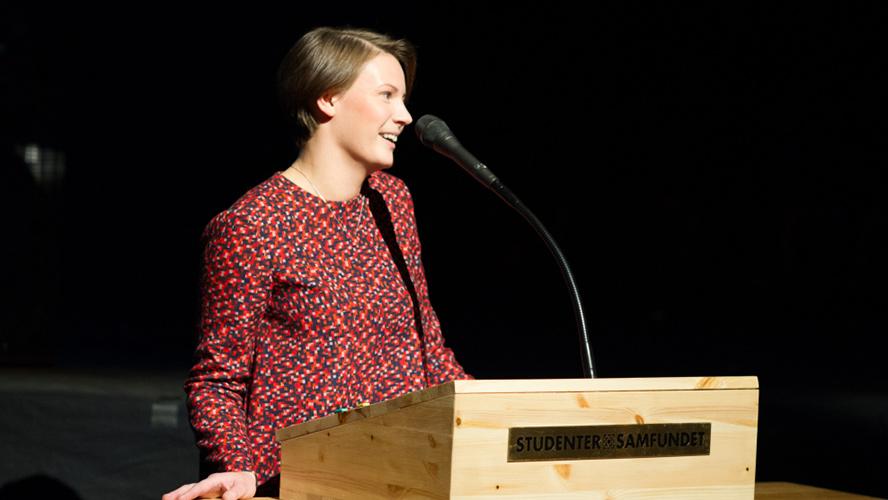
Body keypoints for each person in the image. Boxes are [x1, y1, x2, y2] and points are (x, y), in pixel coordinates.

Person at [162, 27, 472, 500]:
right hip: (298, 482)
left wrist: (497, 419)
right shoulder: (252, 224)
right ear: (328, 99)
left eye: (403, 98)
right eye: (387, 95)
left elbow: (428, 349)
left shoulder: (392, 202)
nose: (405, 116)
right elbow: (217, 378)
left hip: (404, 472)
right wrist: (236, 467)